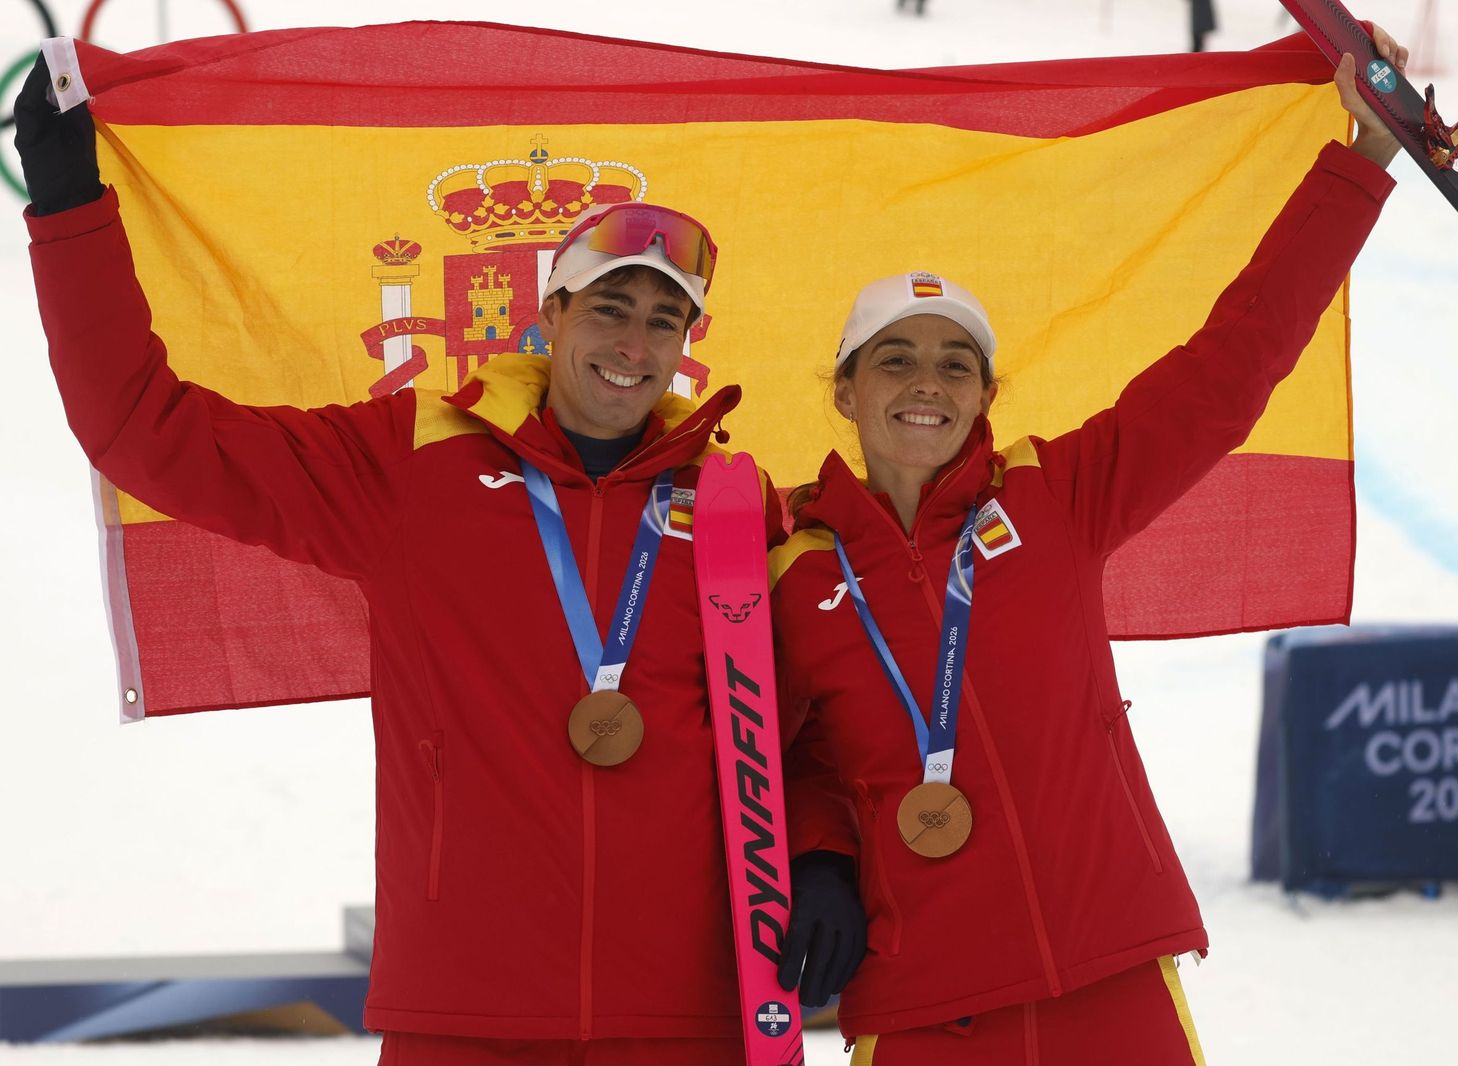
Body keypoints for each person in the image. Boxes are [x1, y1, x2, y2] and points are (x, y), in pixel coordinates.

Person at [14, 54, 863, 1064]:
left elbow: (809, 727)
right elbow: (145, 432)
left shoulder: (736, 505)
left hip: (689, 1013)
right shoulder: (410, 463)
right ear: (549, 318)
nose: (633, 343)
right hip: (465, 1012)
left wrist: (820, 854)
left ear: (686, 343)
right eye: (608, 308)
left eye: (662, 319)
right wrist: (69, 212)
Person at [770, 32, 1409, 1065]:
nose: (925, 384)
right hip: (928, 996)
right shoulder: (789, 565)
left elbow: (1229, 364)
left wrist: (1361, 161)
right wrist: (819, 857)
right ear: (845, 390)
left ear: (986, 396)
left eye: (955, 365)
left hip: (1107, 971)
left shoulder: (1056, 496)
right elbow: (782, 749)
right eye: (894, 361)